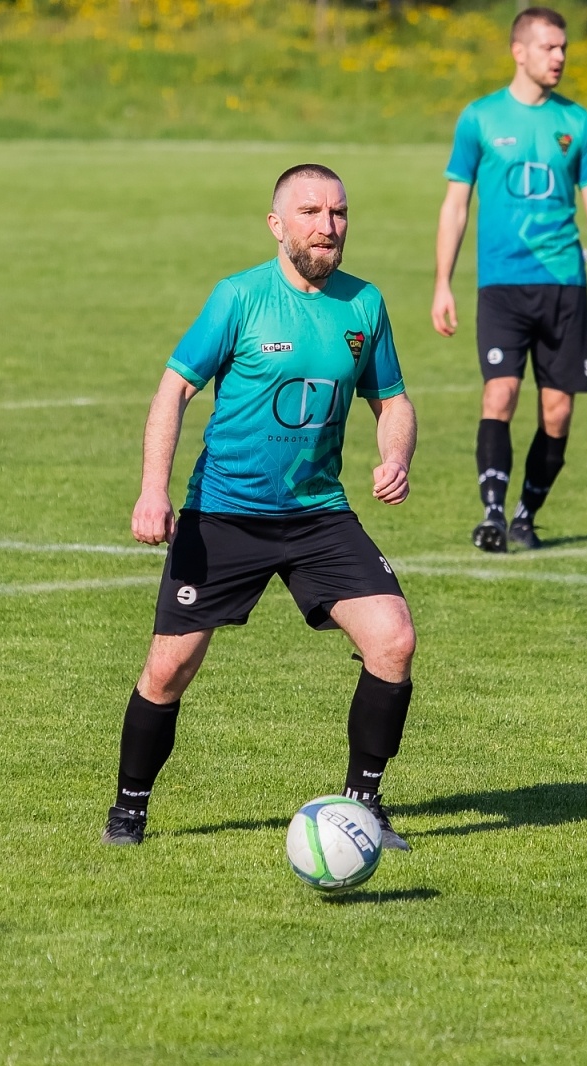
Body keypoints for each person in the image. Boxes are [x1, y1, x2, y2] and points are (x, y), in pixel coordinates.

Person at [102, 163, 420, 851]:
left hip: (318, 514)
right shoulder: (239, 299)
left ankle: (363, 804)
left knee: (393, 640)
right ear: (277, 226)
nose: (327, 226)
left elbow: (391, 400)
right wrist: (154, 491)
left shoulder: (363, 305)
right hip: (225, 515)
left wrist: (395, 457)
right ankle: (129, 809)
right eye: (310, 212)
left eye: (337, 213)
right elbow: (173, 391)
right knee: (169, 669)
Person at [431, 6, 587, 552]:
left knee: (557, 411)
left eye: (564, 48)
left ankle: (525, 515)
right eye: (549, 47)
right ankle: (491, 516)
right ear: (519, 51)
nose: (560, 57)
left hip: (564, 282)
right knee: (501, 392)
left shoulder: (578, 123)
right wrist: (443, 281)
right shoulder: (480, 119)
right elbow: (455, 205)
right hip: (501, 284)